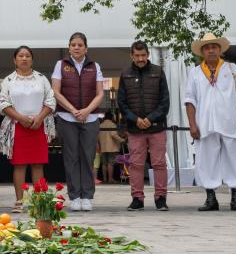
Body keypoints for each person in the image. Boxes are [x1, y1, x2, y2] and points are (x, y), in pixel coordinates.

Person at [185, 32, 236, 212]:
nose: (211, 50)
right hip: (204, 124)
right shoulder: (195, 72)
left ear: (220, 49)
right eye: (207, 47)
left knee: (234, 157)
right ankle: (210, 198)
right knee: (206, 160)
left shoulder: (232, 69)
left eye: (214, 47)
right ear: (202, 52)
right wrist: (192, 124)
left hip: (231, 122)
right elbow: (190, 100)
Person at [0, 45, 55, 213]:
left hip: (39, 125)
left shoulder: (41, 78)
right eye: (20, 56)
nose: (24, 58)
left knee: (38, 165)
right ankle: (19, 201)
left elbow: (51, 100)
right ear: (14, 60)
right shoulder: (8, 80)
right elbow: (3, 103)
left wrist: (40, 117)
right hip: (17, 127)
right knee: (19, 165)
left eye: (27, 56)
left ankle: (39, 202)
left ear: (32, 59)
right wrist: (20, 118)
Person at [51, 32, 105, 212]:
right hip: (67, 117)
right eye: (73, 44)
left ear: (86, 48)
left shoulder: (94, 66)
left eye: (80, 45)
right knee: (71, 157)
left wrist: (87, 110)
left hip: (90, 118)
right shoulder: (61, 64)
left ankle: (88, 196)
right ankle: (74, 196)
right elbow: (56, 92)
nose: (76, 47)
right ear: (69, 47)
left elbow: (100, 94)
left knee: (87, 157)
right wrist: (73, 110)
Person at [117, 40, 171, 211]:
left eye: (143, 55)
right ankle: (137, 198)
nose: (140, 58)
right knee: (136, 164)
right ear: (131, 55)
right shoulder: (125, 73)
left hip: (156, 126)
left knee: (159, 163)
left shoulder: (158, 71)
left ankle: (161, 198)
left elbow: (165, 101)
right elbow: (122, 102)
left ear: (148, 54)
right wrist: (135, 119)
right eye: (137, 55)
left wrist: (150, 118)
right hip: (135, 128)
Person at [98, 115, 125, 184]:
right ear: (112, 118)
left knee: (104, 163)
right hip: (112, 147)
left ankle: (104, 179)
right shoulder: (112, 125)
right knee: (111, 163)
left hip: (103, 147)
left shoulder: (100, 125)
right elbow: (114, 135)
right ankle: (110, 179)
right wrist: (122, 140)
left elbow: (97, 136)